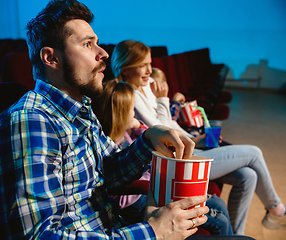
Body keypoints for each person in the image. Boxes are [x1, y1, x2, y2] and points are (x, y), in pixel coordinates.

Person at [0, 1, 211, 239]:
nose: (103, 54)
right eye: (87, 44)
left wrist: (149, 140)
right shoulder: (31, 123)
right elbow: (38, 235)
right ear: (51, 58)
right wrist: (153, 233)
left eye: (97, 43)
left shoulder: (80, 108)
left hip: (113, 228)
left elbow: (108, 172)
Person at [110, 40, 286, 235]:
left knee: (248, 176)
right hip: (177, 159)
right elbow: (162, 131)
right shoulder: (127, 95)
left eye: (150, 64)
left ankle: (236, 235)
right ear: (125, 69)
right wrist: (162, 99)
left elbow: (170, 122)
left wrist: (193, 138)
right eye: (142, 65)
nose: (149, 71)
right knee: (254, 153)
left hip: (188, 145)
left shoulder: (148, 85)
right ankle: (276, 209)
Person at [92, 79, 234, 235]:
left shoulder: (127, 134)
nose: (135, 114)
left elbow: (149, 137)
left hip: (159, 188)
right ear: (121, 115)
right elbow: (116, 195)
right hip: (140, 201)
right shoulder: (111, 145)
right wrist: (152, 188)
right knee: (220, 220)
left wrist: (139, 125)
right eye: (132, 109)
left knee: (218, 203)